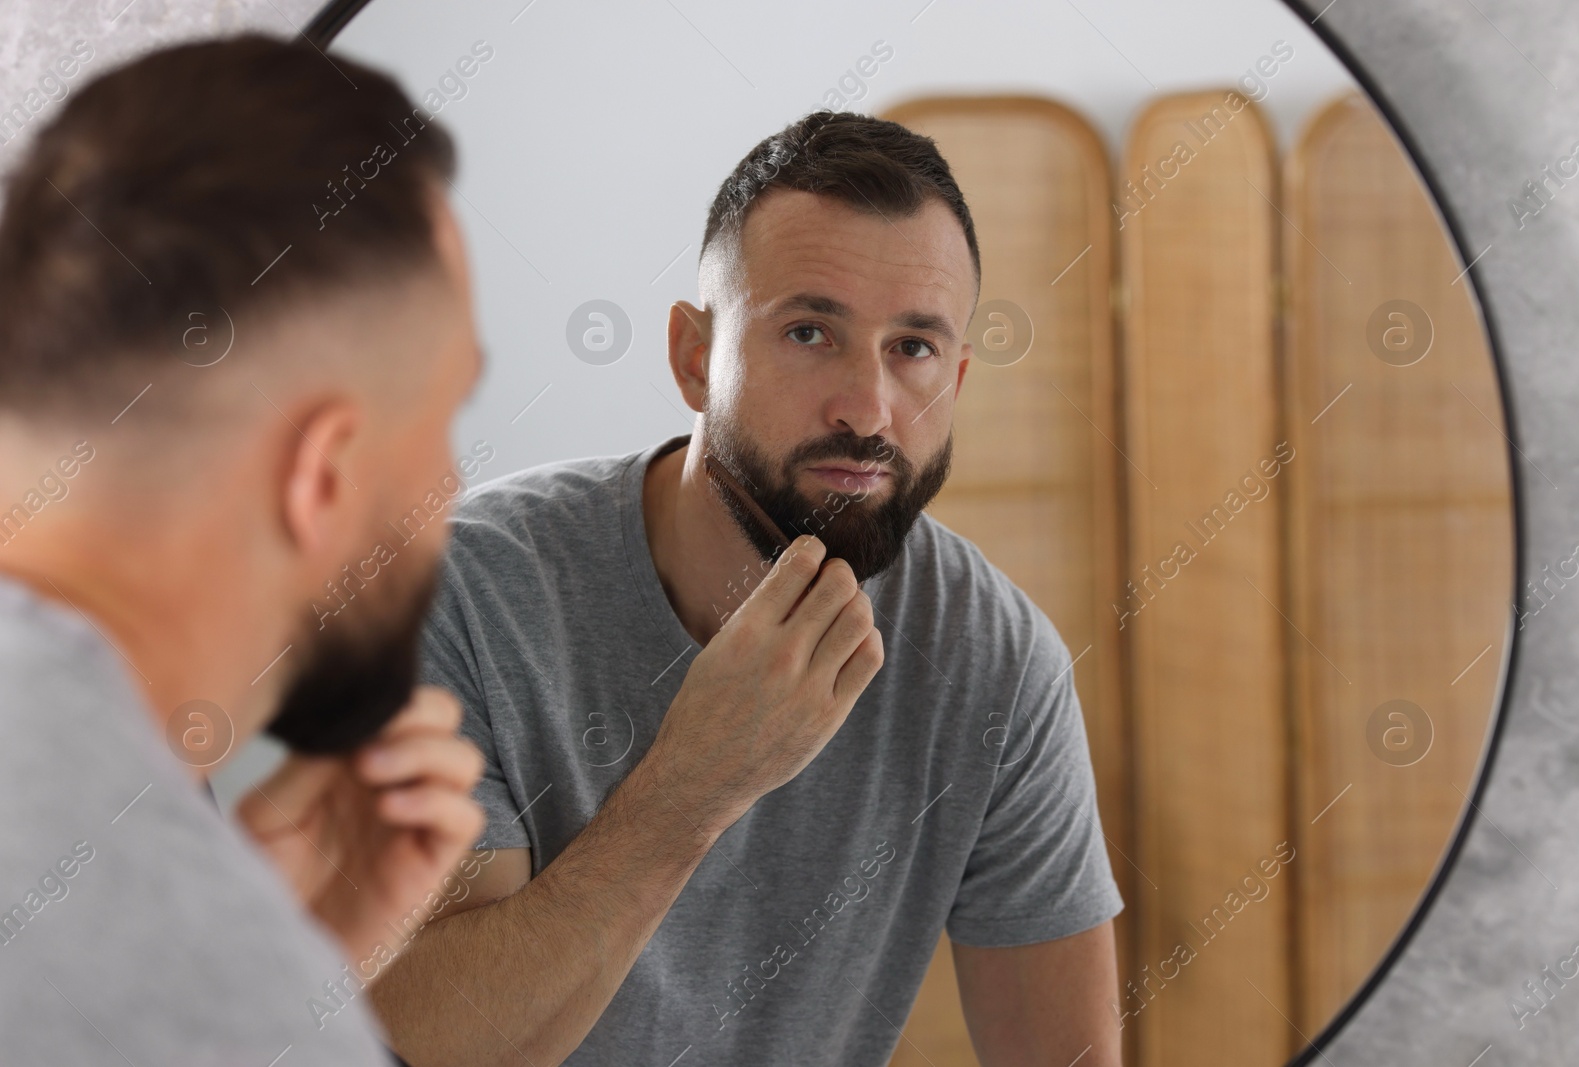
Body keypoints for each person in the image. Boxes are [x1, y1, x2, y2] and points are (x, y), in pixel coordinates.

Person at [0, 37, 879, 1065]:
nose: (452, 488)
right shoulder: (144, 896)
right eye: (437, 421)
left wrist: (306, 968)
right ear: (322, 469)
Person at [371, 112, 1125, 1066]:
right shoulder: (460, 593)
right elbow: (430, 1040)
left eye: (914, 348)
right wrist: (694, 788)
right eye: (811, 332)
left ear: (959, 377)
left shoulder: (996, 659)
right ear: (696, 357)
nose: (868, 406)